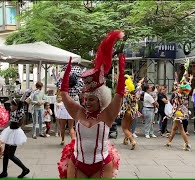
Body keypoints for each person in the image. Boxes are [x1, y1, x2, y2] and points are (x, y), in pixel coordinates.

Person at [57, 30, 124, 178]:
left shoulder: (107, 115)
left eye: (91, 99)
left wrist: (122, 72)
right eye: (86, 99)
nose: (87, 102)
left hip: (102, 164)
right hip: (76, 163)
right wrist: (66, 73)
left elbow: (119, 96)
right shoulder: (78, 112)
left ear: (101, 99)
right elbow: (64, 94)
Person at [0, 97, 30, 178]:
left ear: (16, 106)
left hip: (15, 133)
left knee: (11, 155)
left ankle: (25, 169)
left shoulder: (20, 112)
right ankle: (4, 172)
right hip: (10, 131)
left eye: (12, 105)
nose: (10, 107)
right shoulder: (14, 111)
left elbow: (20, 123)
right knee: (6, 154)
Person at [119, 75, 139, 150]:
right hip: (132, 112)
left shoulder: (126, 93)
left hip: (126, 112)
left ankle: (132, 141)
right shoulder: (134, 94)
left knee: (124, 128)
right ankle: (125, 140)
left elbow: (121, 93)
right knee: (128, 127)